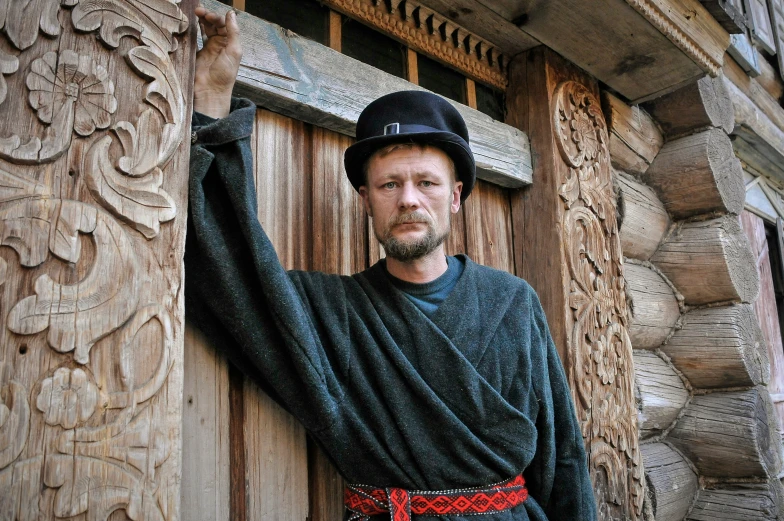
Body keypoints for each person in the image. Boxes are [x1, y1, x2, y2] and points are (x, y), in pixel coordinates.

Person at [187, 5, 597, 521]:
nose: (408, 199)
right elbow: (228, 275)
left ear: (455, 197)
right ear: (367, 199)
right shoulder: (331, 313)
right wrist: (211, 99)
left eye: (426, 183)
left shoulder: (513, 302)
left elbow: (564, 458)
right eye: (389, 184)